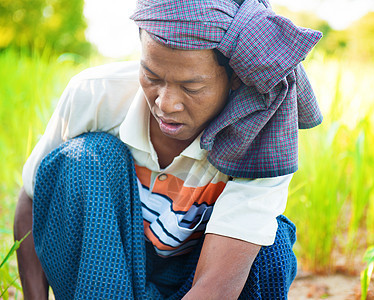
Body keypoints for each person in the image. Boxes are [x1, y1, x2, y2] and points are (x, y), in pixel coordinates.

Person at [14, 0, 323, 299]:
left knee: (270, 244)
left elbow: (215, 286)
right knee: (83, 158)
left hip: (197, 277)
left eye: (191, 88)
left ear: (234, 80)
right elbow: (33, 197)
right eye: (151, 76)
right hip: (106, 272)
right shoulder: (96, 93)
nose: (165, 104)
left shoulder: (265, 134)